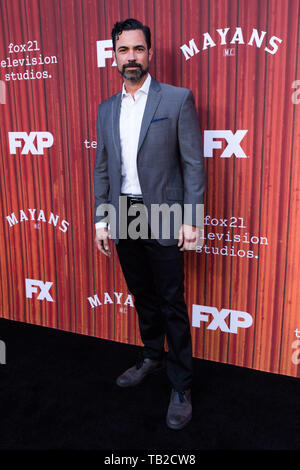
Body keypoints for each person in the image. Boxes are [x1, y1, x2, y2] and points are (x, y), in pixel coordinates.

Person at [94, 18, 205, 430]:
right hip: (124, 212)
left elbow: (193, 164)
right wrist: (102, 218)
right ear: (114, 57)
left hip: (164, 213)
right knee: (143, 294)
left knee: (172, 300)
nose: (131, 58)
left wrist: (192, 219)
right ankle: (152, 356)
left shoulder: (176, 100)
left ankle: (181, 383)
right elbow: (103, 168)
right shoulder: (107, 108)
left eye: (138, 49)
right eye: (124, 51)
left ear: (150, 53)